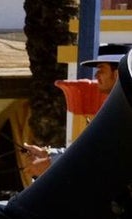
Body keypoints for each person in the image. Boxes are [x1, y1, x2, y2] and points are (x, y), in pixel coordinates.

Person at [24, 43, 132, 176]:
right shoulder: (116, 108)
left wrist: (51, 163)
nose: (96, 75)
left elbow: (104, 157)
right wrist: (48, 153)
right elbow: (90, 150)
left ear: (117, 74)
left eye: (101, 69)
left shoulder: (125, 111)